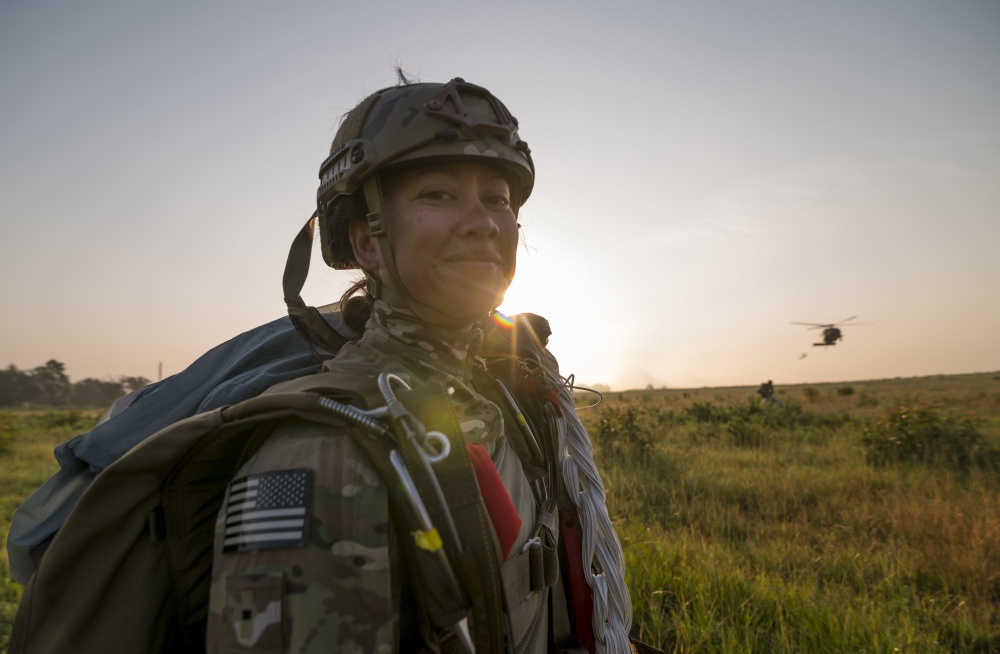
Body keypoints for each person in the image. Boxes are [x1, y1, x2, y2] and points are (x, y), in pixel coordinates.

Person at [205, 77, 634, 654]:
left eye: (498, 200)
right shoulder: (322, 460)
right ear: (366, 244)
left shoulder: (510, 392)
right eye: (437, 194)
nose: (483, 221)